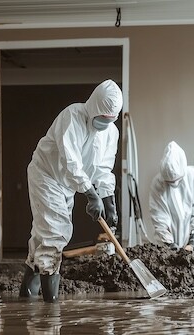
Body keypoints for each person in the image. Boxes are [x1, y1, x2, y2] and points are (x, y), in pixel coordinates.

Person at [20, 80, 123, 302]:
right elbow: (71, 161)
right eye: (102, 118)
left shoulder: (111, 133)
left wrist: (108, 199)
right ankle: (51, 307)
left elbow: (104, 168)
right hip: (47, 176)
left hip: (66, 184)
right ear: (93, 107)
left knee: (43, 234)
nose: (105, 123)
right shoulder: (73, 116)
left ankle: (27, 295)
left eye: (110, 120)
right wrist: (89, 193)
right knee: (56, 232)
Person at [149, 141, 194, 251]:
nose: (174, 185)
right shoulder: (157, 183)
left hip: (187, 232)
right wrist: (168, 242)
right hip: (165, 240)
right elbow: (158, 215)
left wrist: (193, 238)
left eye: (176, 181)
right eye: (170, 183)